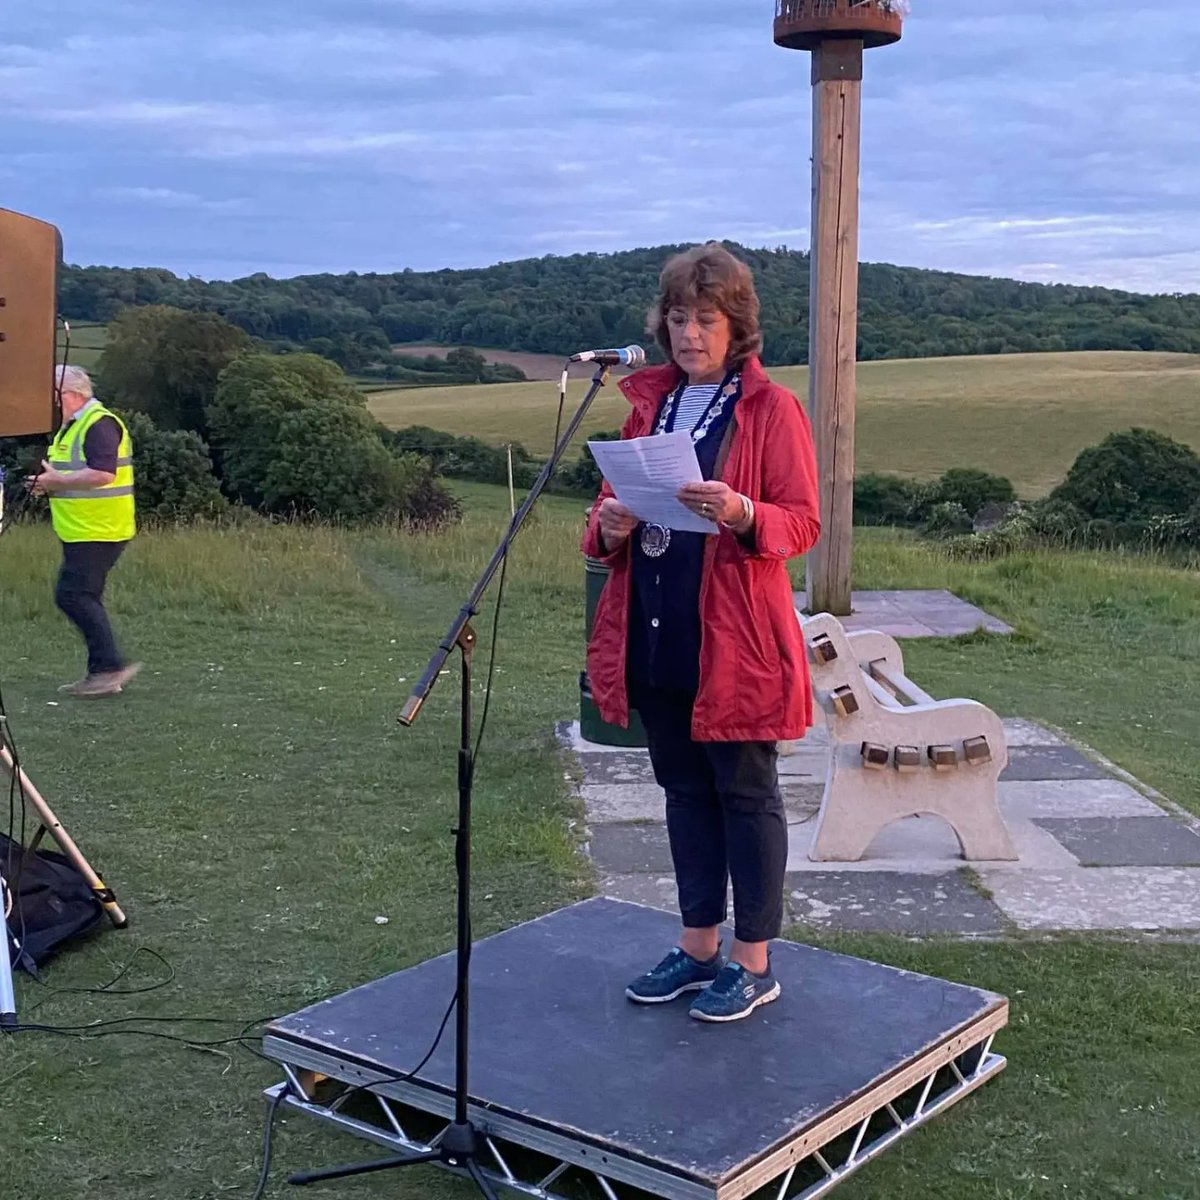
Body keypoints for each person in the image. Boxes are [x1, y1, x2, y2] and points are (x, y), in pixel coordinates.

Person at [582, 243, 821, 1023]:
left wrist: (743, 511)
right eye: (679, 318)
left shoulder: (770, 409)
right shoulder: (646, 403)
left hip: (736, 642)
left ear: (736, 325)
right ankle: (697, 949)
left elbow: (802, 520)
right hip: (656, 632)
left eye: (706, 319)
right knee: (683, 793)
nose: (689, 334)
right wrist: (609, 524)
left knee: (746, 796)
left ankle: (754, 964)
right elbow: (605, 508)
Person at [26, 366, 140, 698]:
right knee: (80, 595)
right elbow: (71, 474)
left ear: (70, 394)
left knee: (74, 595)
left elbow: (103, 474)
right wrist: (45, 484)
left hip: (100, 528)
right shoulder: (71, 428)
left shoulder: (98, 424)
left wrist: (54, 482)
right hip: (84, 528)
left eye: (50, 394)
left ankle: (107, 670)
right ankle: (105, 670)